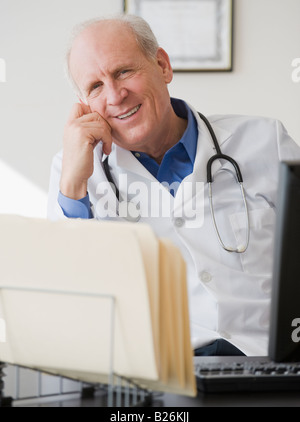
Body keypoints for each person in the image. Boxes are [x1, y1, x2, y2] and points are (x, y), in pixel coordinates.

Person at [47, 14, 300, 357]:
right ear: (83, 104)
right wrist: (74, 183)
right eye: (95, 86)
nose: (116, 95)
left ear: (162, 66)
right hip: (158, 371)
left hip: (270, 364)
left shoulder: (263, 141)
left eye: (124, 71)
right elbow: (61, 299)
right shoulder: (75, 172)